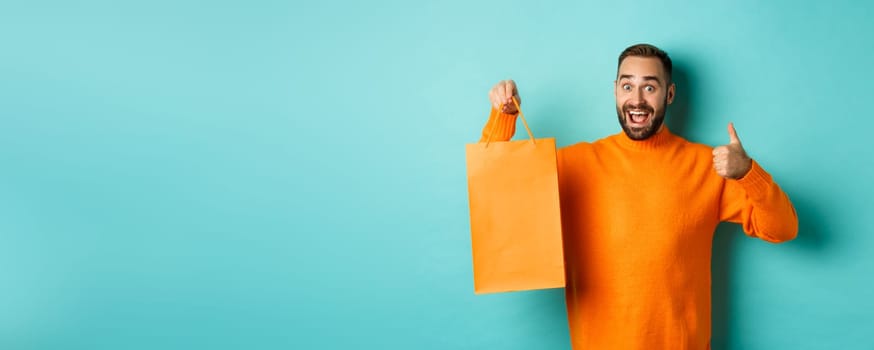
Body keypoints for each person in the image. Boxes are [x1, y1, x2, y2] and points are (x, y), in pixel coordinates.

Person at [480, 43, 798, 349]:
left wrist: (747, 172)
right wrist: (503, 116)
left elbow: (783, 228)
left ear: (669, 94)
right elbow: (496, 191)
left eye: (649, 87)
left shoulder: (709, 166)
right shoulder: (574, 164)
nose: (637, 100)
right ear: (615, 90)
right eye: (627, 86)